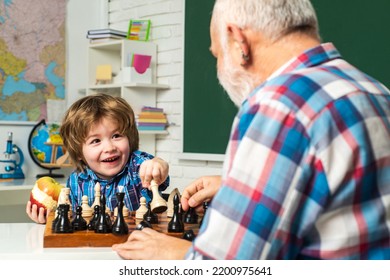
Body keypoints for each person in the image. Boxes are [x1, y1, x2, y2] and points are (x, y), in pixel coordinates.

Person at [112, 0, 390, 260]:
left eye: (217, 55)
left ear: (238, 40)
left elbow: (232, 266)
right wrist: (237, 187)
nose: (220, 68)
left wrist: (176, 254)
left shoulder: (279, 105)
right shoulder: (373, 89)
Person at [26, 93, 170, 224]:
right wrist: (50, 218)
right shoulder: (76, 181)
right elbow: (71, 219)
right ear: (80, 154)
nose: (109, 148)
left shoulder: (137, 167)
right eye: (95, 141)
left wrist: (158, 164)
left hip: (138, 244)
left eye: (116, 136)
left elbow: (157, 170)